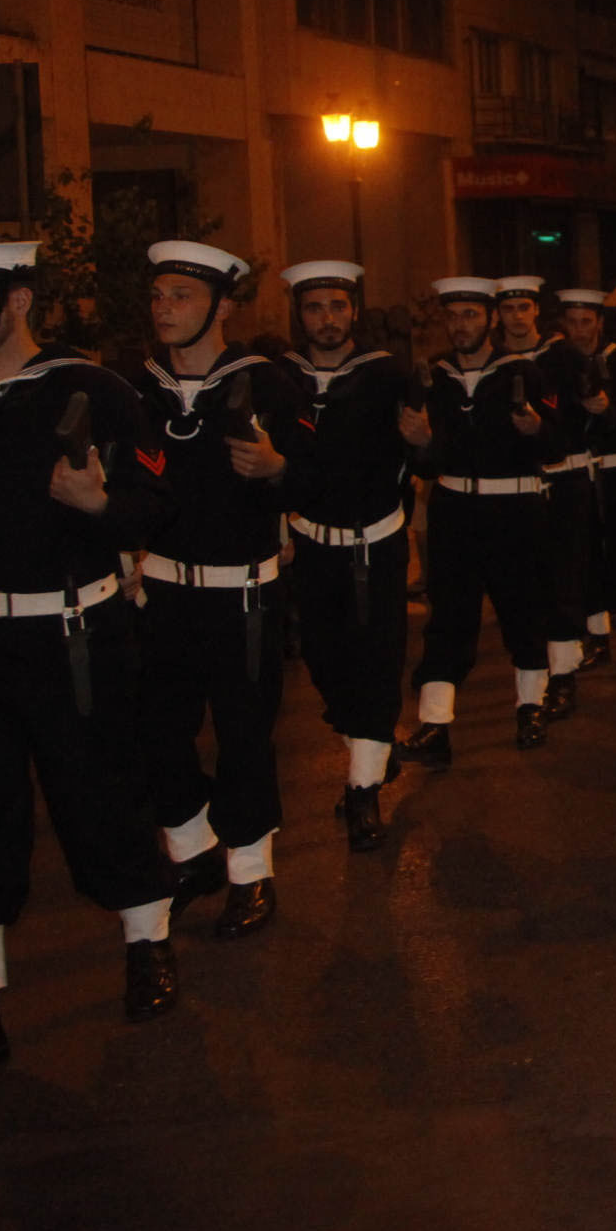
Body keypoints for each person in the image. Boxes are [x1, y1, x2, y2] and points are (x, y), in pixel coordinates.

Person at [0, 239, 181, 1041]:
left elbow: (153, 505)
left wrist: (98, 505)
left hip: (74, 632)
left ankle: (148, 942)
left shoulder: (91, 389)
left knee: (102, 796)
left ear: (18, 300)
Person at [130, 240, 301, 939]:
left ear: (223, 306)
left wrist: (276, 470)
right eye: (159, 295)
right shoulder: (134, 387)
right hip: (161, 592)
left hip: (244, 595)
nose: (164, 309)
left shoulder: (271, 383)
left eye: (183, 297)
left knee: (244, 738)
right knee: (154, 734)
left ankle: (250, 871)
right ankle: (195, 848)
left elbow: (321, 480)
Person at [273, 261, 413, 852]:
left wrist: (425, 444)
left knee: (377, 661)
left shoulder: (390, 375)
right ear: (299, 315)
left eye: (336, 306)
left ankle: (363, 792)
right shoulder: (279, 378)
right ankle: (372, 743)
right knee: (325, 663)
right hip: (311, 545)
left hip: (376, 543)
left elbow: (420, 456)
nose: (326, 319)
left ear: (354, 310)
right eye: (314, 308)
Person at [397, 278, 556, 761]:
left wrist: (537, 430)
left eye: (471, 315)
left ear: (490, 319)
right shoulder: (434, 378)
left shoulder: (525, 372)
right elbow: (425, 465)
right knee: (447, 619)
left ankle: (531, 705)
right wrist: (422, 442)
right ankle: (435, 724)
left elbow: (556, 447)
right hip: (454, 511)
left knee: (523, 611)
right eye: (453, 316)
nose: (460, 325)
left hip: (514, 510)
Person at [495, 277, 591, 721]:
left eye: (524, 307)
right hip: (515, 489)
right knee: (526, 584)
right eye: (509, 307)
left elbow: (583, 414)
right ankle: (534, 677)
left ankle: (565, 674)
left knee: (563, 577)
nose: (516, 315)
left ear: (536, 312)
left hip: (562, 476)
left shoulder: (563, 356)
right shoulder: (493, 363)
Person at [554, 289, 616, 672]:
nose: (579, 330)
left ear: (600, 322)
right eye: (571, 322)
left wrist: (612, 410)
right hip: (576, 470)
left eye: (586, 321)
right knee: (583, 554)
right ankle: (597, 635)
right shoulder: (557, 361)